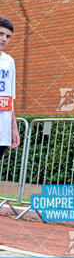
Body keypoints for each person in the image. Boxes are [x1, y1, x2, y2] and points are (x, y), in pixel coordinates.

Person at [0, 17, 20, 161]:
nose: (4, 39)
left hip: (2, 127)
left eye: (8, 36)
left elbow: (10, 97)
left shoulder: (9, 61)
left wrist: (13, 127)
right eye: (0, 34)